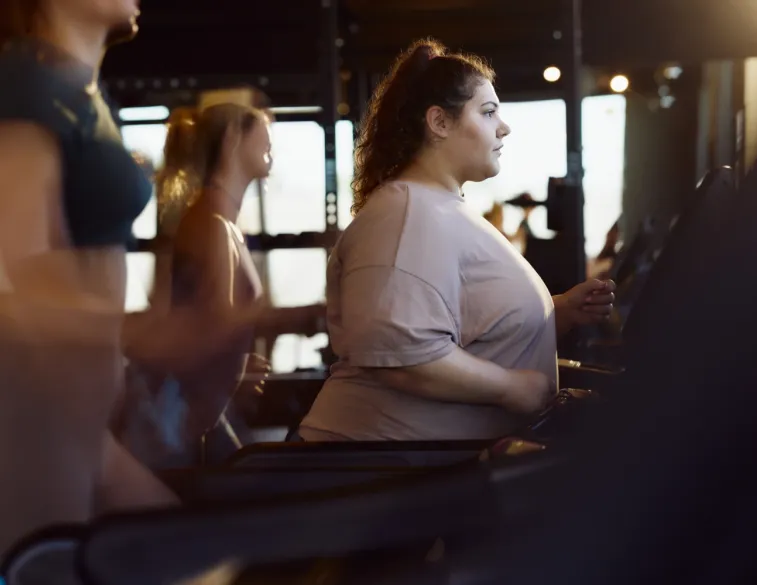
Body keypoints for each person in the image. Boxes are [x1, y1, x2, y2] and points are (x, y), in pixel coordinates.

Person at [298, 39, 615, 442]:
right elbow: (403, 357)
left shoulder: (439, 206)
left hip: (422, 475)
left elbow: (464, 324)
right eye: (488, 112)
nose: (504, 126)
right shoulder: (408, 215)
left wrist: (558, 311)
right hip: (375, 478)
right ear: (440, 123)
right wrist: (513, 387)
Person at [0, 0, 178, 557]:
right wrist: (153, 332)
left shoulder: (86, 95)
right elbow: (17, 272)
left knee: (185, 552)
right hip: (36, 409)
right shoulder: (25, 85)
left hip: (78, 415)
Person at [120, 102, 325, 465]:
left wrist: (236, 363)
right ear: (233, 136)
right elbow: (217, 320)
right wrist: (312, 316)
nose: (271, 135)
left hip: (207, 413)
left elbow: (210, 319)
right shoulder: (210, 222)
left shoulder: (223, 221)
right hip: (185, 418)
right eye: (262, 127)